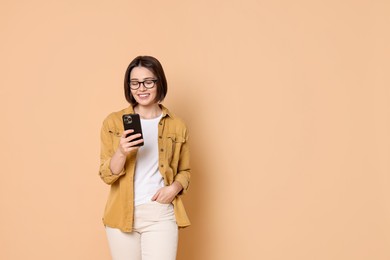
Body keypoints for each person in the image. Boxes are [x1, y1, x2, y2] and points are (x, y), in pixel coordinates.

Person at [99, 56, 191, 260]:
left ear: (159, 82)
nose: (142, 88)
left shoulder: (177, 125)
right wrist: (122, 152)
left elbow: (185, 171)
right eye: (135, 83)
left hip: (160, 214)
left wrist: (173, 189)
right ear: (129, 86)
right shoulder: (113, 123)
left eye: (148, 81)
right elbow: (107, 175)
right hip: (121, 214)